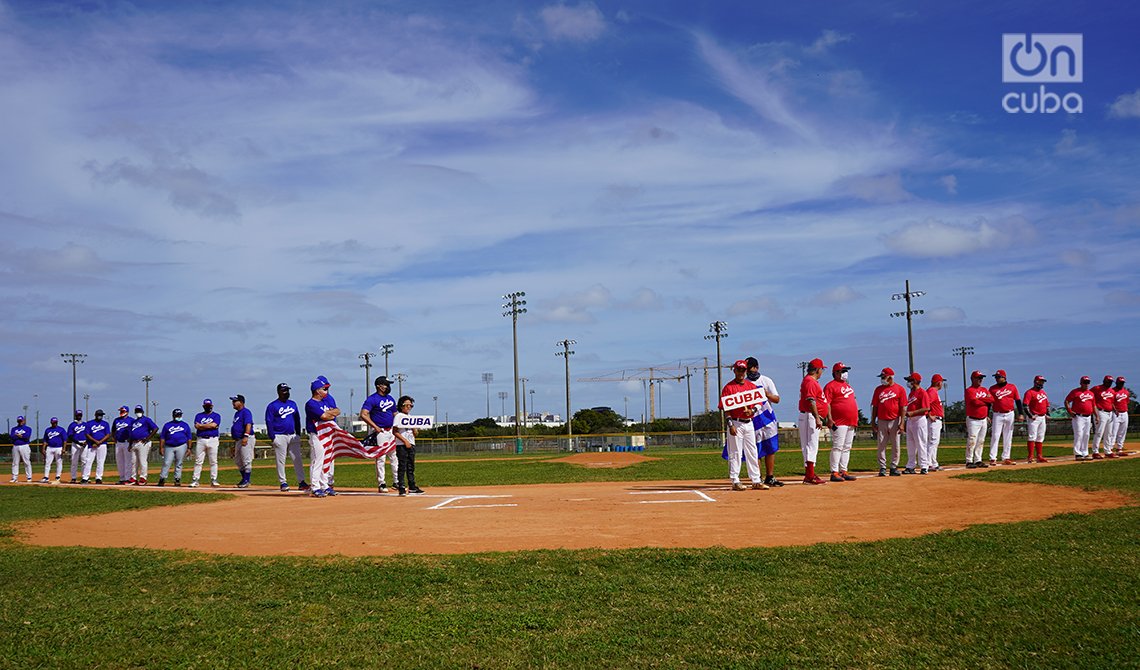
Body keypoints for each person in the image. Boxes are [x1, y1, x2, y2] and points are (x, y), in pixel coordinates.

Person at [719, 360, 767, 491]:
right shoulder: (728, 388)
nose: (741, 372)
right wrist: (730, 425)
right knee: (735, 452)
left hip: (749, 422)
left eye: (743, 370)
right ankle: (735, 480)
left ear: (746, 371)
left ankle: (756, 480)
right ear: (734, 370)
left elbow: (759, 402)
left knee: (752, 451)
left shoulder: (751, 386)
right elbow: (726, 409)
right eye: (738, 370)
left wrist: (753, 411)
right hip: (736, 422)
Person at [745, 357, 784, 487]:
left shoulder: (766, 380)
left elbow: (777, 399)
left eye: (750, 369)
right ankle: (758, 477)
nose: (748, 372)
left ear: (756, 367)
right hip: (753, 420)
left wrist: (766, 394)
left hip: (767, 419)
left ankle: (770, 476)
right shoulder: (745, 383)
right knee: (755, 450)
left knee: (770, 449)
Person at [360, 376, 399, 493]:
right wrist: (375, 427)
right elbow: (364, 414)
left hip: (391, 431)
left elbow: (395, 413)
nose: (388, 387)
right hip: (380, 432)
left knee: (394, 457)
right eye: (386, 384)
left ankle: (397, 482)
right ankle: (382, 483)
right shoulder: (372, 399)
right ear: (379, 386)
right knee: (381, 458)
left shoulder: (390, 398)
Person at [266, 383, 308, 492]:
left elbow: (297, 419)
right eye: (284, 390)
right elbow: (269, 421)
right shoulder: (272, 406)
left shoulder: (292, 404)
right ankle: (283, 482)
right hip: (279, 436)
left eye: (287, 390)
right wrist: (273, 437)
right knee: (281, 460)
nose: (286, 393)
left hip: (292, 435)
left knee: (297, 459)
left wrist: (298, 434)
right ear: (279, 392)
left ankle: (302, 481)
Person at [305, 376, 340, 497]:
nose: (326, 391)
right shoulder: (310, 404)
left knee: (327, 460)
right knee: (317, 460)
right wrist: (329, 414)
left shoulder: (326, 401)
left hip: (327, 434)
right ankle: (315, 487)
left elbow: (337, 412)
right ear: (317, 391)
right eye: (324, 389)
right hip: (316, 435)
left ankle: (324, 485)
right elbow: (324, 416)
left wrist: (329, 413)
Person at [823, 362, 857, 482]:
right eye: (842, 371)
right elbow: (826, 403)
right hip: (839, 421)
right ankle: (834, 472)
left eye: (845, 371)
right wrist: (829, 418)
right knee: (838, 447)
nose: (845, 373)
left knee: (847, 447)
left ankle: (844, 470)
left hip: (851, 421)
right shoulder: (830, 386)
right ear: (835, 373)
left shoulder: (848, 386)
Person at [798, 358, 829, 485]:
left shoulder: (809, 381)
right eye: (821, 369)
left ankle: (809, 474)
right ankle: (810, 476)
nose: (822, 372)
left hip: (808, 416)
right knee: (811, 445)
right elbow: (811, 400)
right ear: (817, 370)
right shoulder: (810, 381)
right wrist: (817, 417)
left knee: (808, 446)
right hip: (809, 416)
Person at [870, 367, 906, 477]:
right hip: (881, 420)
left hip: (895, 420)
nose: (882, 379)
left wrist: (902, 422)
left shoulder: (900, 389)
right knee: (881, 444)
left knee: (896, 444)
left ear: (890, 377)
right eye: (882, 377)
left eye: (884, 377)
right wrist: (873, 421)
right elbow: (875, 406)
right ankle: (882, 467)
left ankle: (894, 466)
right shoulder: (878, 389)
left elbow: (903, 407)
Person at [988, 370, 1022, 466]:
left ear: (1004, 377)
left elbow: (1018, 401)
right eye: (996, 377)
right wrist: (987, 415)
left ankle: (1006, 457)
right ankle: (992, 458)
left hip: (1010, 413)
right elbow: (989, 403)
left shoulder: (1012, 387)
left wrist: (1021, 413)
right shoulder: (992, 389)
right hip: (997, 414)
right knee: (995, 436)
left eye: (998, 377)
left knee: (1008, 436)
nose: (997, 379)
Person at [393, 395, 425, 495]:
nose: (409, 407)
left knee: (411, 466)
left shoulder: (411, 418)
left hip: (411, 444)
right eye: (406, 405)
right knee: (402, 465)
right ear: (401, 406)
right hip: (402, 445)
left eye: (411, 405)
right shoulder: (399, 416)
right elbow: (395, 431)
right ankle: (401, 486)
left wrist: (415, 430)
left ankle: (412, 486)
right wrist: (405, 441)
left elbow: (415, 434)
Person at [902, 373, 930, 475]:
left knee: (921, 443)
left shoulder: (922, 392)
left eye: (910, 380)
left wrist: (913, 413)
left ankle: (924, 466)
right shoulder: (911, 393)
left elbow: (926, 408)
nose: (908, 382)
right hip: (910, 420)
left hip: (919, 419)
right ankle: (911, 466)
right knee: (910, 444)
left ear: (915, 381)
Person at [964, 371, 993, 469]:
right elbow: (974, 402)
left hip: (983, 419)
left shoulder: (984, 389)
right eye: (978, 378)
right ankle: (969, 460)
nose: (980, 380)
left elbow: (992, 400)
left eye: (981, 378)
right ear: (972, 379)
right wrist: (985, 401)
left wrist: (982, 400)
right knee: (972, 440)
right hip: (973, 419)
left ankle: (978, 460)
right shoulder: (969, 390)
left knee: (981, 440)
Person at [191, 399, 222, 488]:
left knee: (213, 461)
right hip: (201, 439)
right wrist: (208, 426)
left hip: (213, 439)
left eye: (209, 406)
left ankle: (214, 479)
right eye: (206, 406)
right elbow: (197, 426)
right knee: (198, 461)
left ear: (212, 406)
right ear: (203, 406)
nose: (208, 407)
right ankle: (195, 480)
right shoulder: (199, 415)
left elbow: (214, 425)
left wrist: (202, 426)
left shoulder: (216, 415)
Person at [158, 409, 191, 486]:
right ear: (173, 416)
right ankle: (162, 478)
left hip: (182, 445)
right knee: (166, 462)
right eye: (177, 415)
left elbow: (189, 438)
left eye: (180, 415)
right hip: (169, 446)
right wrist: (161, 447)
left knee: (179, 463)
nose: (179, 416)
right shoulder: (167, 425)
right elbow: (162, 437)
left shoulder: (185, 425)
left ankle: (177, 479)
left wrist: (189, 448)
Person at [1065, 376, 1095, 461]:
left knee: (1086, 435)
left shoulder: (1091, 393)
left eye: (1088, 382)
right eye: (1085, 382)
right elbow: (1067, 401)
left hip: (1088, 416)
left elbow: (1093, 405)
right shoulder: (1075, 392)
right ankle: (1078, 454)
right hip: (1078, 416)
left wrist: (1096, 416)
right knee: (1079, 434)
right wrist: (1070, 411)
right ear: (1081, 383)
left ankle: (1085, 453)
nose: (1086, 384)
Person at [128, 405, 158, 485]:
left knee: (142, 461)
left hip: (143, 443)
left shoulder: (146, 420)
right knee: (133, 462)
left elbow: (155, 428)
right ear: (135, 412)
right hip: (134, 443)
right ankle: (133, 478)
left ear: (142, 412)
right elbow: (131, 434)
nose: (138, 412)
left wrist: (147, 438)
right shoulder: (133, 422)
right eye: (137, 411)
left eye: (139, 411)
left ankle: (143, 478)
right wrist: (130, 444)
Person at [230, 394, 255, 488]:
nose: (233, 403)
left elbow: (248, 424)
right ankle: (245, 479)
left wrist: (246, 436)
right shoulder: (237, 413)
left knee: (246, 460)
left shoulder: (246, 412)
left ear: (241, 402)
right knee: (238, 460)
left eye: (235, 401)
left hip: (246, 438)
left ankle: (246, 480)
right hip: (238, 439)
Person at [1023, 376, 1050, 463]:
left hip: (1042, 417)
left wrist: (1047, 414)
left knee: (1040, 437)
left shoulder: (1043, 393)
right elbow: (1025, 405)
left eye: (1042, 382)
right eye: (1040, 381)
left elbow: (1047, 405)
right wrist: (1030, 415)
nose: (1041, 383)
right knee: (1032, 436)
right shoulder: (1030, 392)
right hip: (1034, 417)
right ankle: (1030, 456)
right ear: (1035, 381)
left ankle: (1039, 456)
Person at [1091, 375, 1117, 459]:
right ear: (1104, 381)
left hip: (1110, 413)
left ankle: (1108, 451)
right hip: (1100, 411)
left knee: (1108, 433)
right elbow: (1089, 395)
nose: (1109, 383)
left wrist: (1115, 409)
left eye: (1110, 382)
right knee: (1099, 432)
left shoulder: (1112, 391)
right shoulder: (1097, 388)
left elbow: (1111, 402)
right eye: (1108, 381)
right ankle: (1095, 452)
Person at [82, 409, 111, 484]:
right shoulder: (89, 423)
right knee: (88, 461)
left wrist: (100, 441)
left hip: (102, 444)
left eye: (101, 415)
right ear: (95, 415)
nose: (100, 416)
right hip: (92, 444)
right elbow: (87, 434)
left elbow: (108, 434)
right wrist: (95, 441)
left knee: (100, 462)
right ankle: (85, 477)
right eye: (99, 415)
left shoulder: (105, 424)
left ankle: (98, 478)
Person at [926, 374, 946, 471]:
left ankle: (933, 462)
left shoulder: (933, 391)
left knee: (934, 442)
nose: (942, 384)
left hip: (936, 420)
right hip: (933, 420)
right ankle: (929, 463)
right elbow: (926, 404)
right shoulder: (932, 391)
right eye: (941, 382)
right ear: (938, 382)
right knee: (932, 442)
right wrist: (930, 414)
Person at [111, 406, 134, 484]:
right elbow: (113, 430)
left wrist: (131, 440)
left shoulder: (131, 420)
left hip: (127, 442)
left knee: (128, 461)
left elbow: (134, 431)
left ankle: (128, 478)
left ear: (127, 411)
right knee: (119, 461)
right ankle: (122, 478)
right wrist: (114, 438)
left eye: (123, 411)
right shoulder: (116, 420)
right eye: (120, 411)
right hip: (118, 443)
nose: (121, 412)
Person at [40, 417, 67, 483]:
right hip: (49, 447)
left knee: (59, 462)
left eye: (55, 422)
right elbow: (45, 440)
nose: (54, 424)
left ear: (57, 422)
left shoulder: (61, 430)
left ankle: (58, 476)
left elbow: (65, 440)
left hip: (58, 447)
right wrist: (43, 448)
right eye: (53, 422)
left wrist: (64, 449)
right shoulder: (47, 430)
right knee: (47, 463)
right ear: (51, 423)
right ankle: (46, 477)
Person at [1110, 376, 1130, 457]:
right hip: (1115, 413)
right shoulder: (1112, 391)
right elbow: (1110, 402)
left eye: (1122, 383)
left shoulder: (1126, 392)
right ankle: (1110, 449)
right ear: (1116, 383)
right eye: (1120, 383)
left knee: (1122, 432)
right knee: (1113, 432)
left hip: (1124, 413)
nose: (1121, 384)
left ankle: (1119, 448)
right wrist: (1115, 409)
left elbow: (1126, 402)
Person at [66, 410, 88, 484]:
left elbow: (89, 434)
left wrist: (86, 442)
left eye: (80, 415)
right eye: (78, 415)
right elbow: (70, 436)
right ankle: (73, 477)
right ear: (75, 415)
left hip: (84, 443)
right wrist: (78, 443)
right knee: (74, 461)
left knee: (84, 461)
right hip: (75, 443)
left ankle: (84, 478)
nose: (79, 416)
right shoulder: (72, 425)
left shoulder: (85, 424)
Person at [9, 416, 33, 483]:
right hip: (16, 446)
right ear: (17, 421)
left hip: (24, 446)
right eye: (19, 421)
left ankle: (29, 477)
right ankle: (14, 477)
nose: (20, 422)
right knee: (15, 462)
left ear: (24, 421)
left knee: (26, 462)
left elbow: (27, 437)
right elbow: (12, 437)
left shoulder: (28, 428)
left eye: (21, 420)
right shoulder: (14, 429)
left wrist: (18, 435)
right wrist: (20, 436)